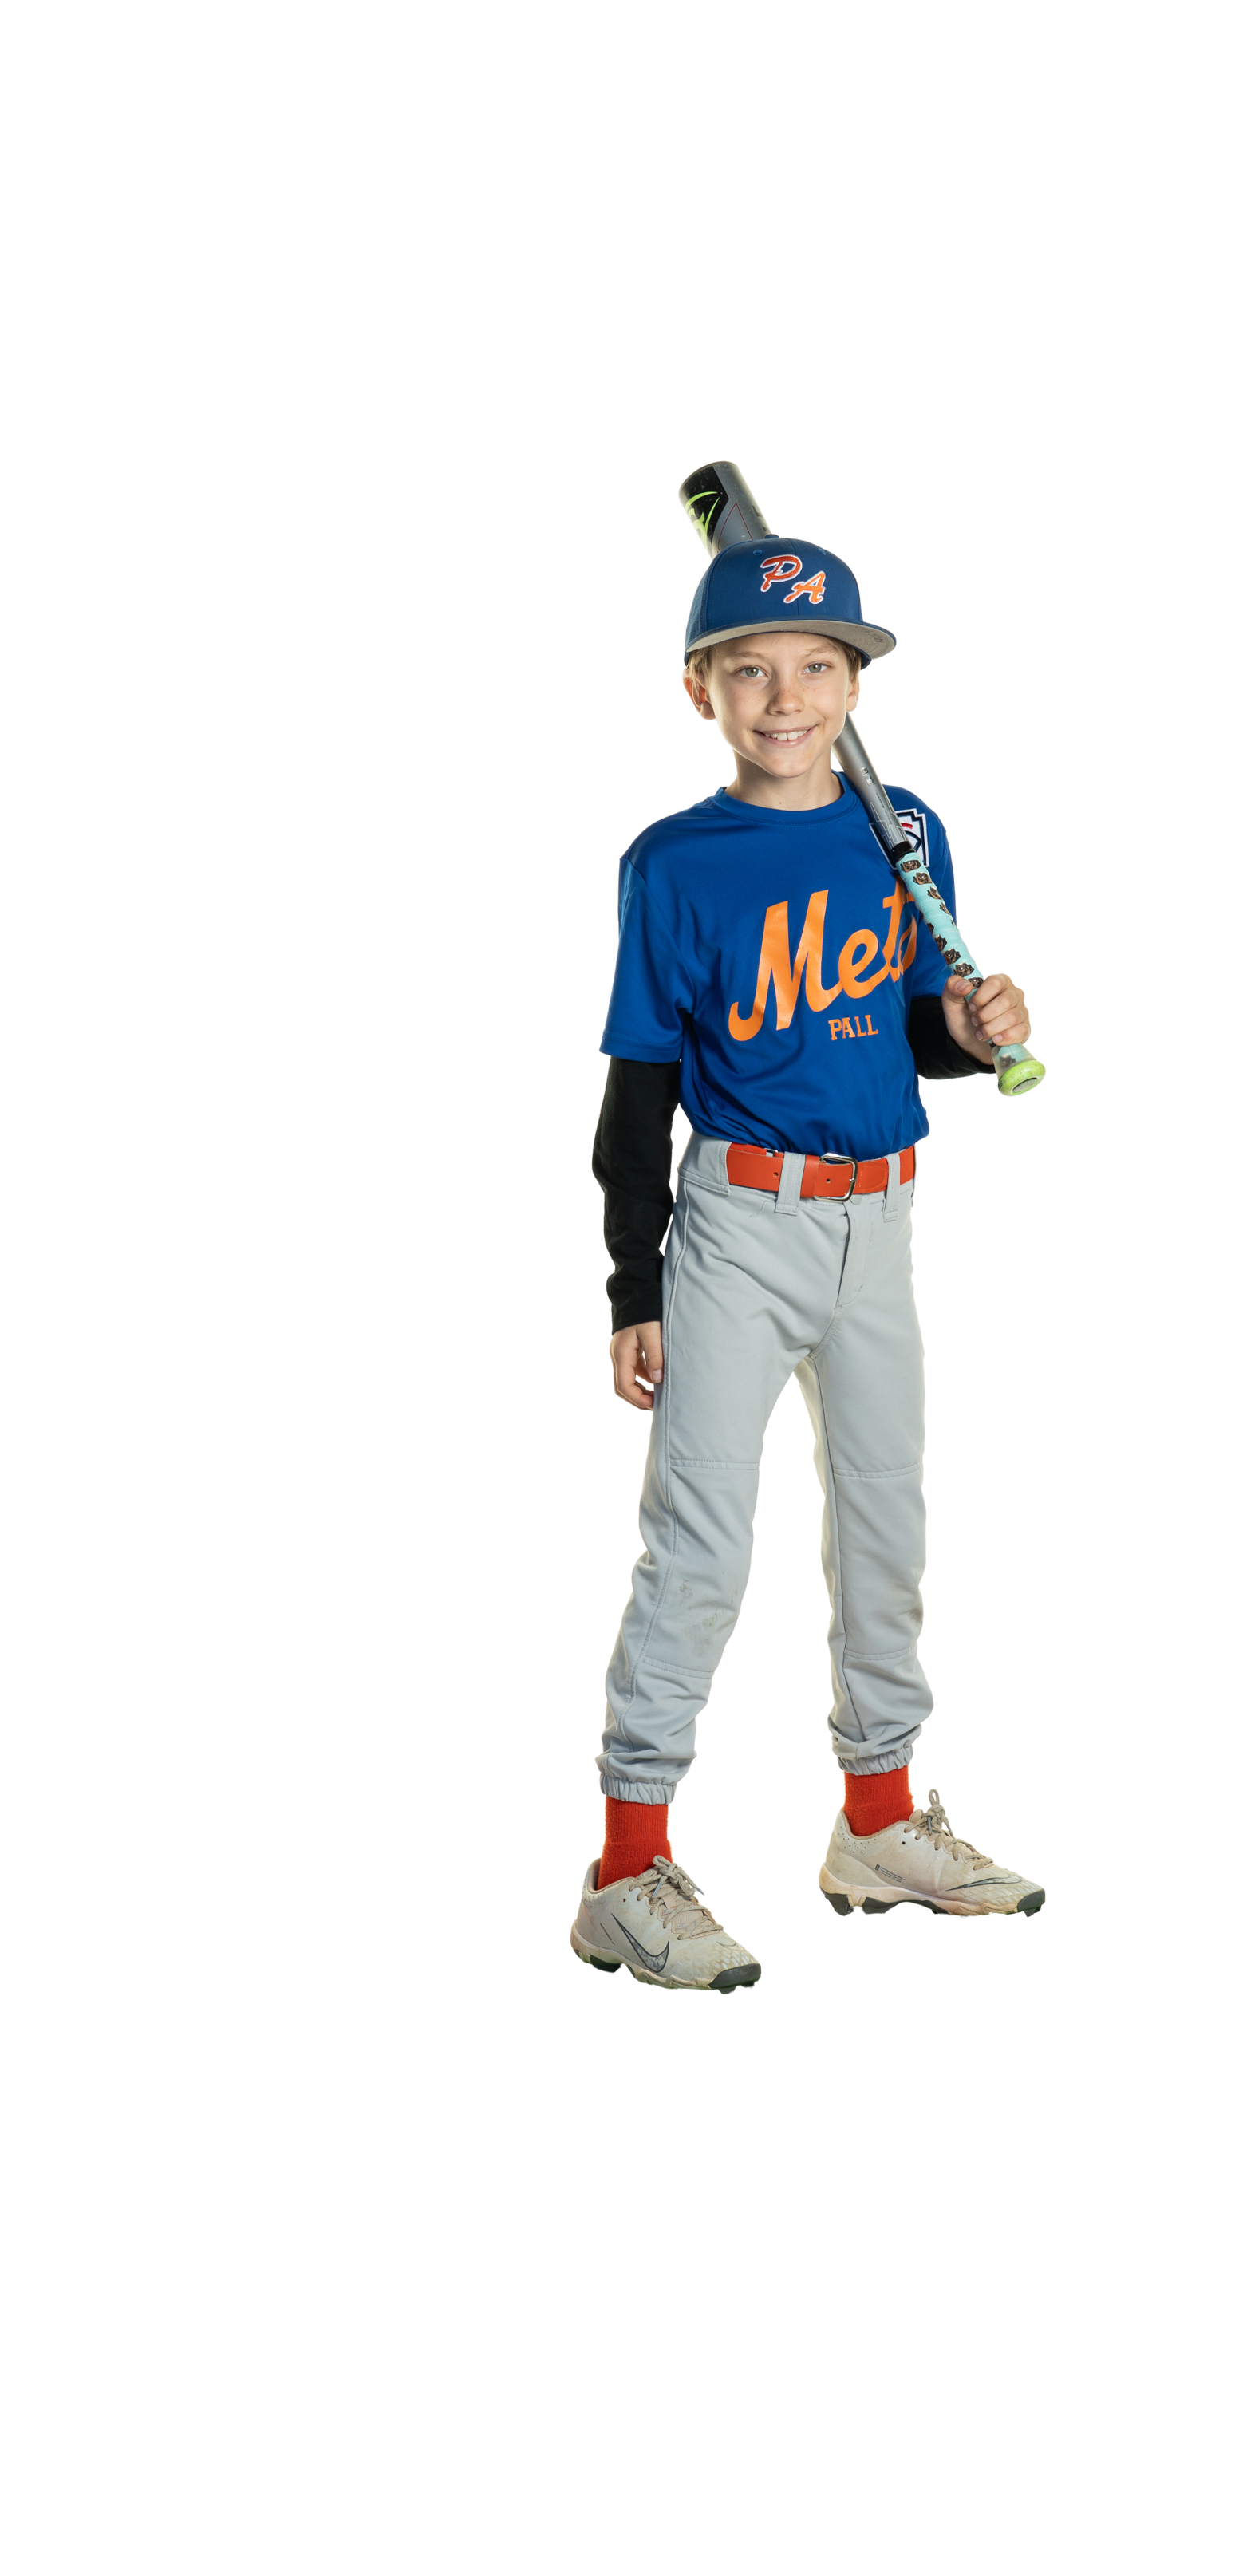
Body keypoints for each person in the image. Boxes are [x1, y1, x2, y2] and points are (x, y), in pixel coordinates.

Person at [569, 529, 1047, 1994]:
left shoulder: (905, 827)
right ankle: (626, 1869)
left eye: (818, 667)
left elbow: (900, 1035)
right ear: (700, 691)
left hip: (880, 1221)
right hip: (736, 1225)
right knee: (704, 1543)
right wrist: (634, 1287)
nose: (788, 699)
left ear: (854, 683)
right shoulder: (675, 861)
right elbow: (637, 1095)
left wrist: (966, 1034)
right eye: (752, 672)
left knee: (888, 1526)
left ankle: (879, 1822)